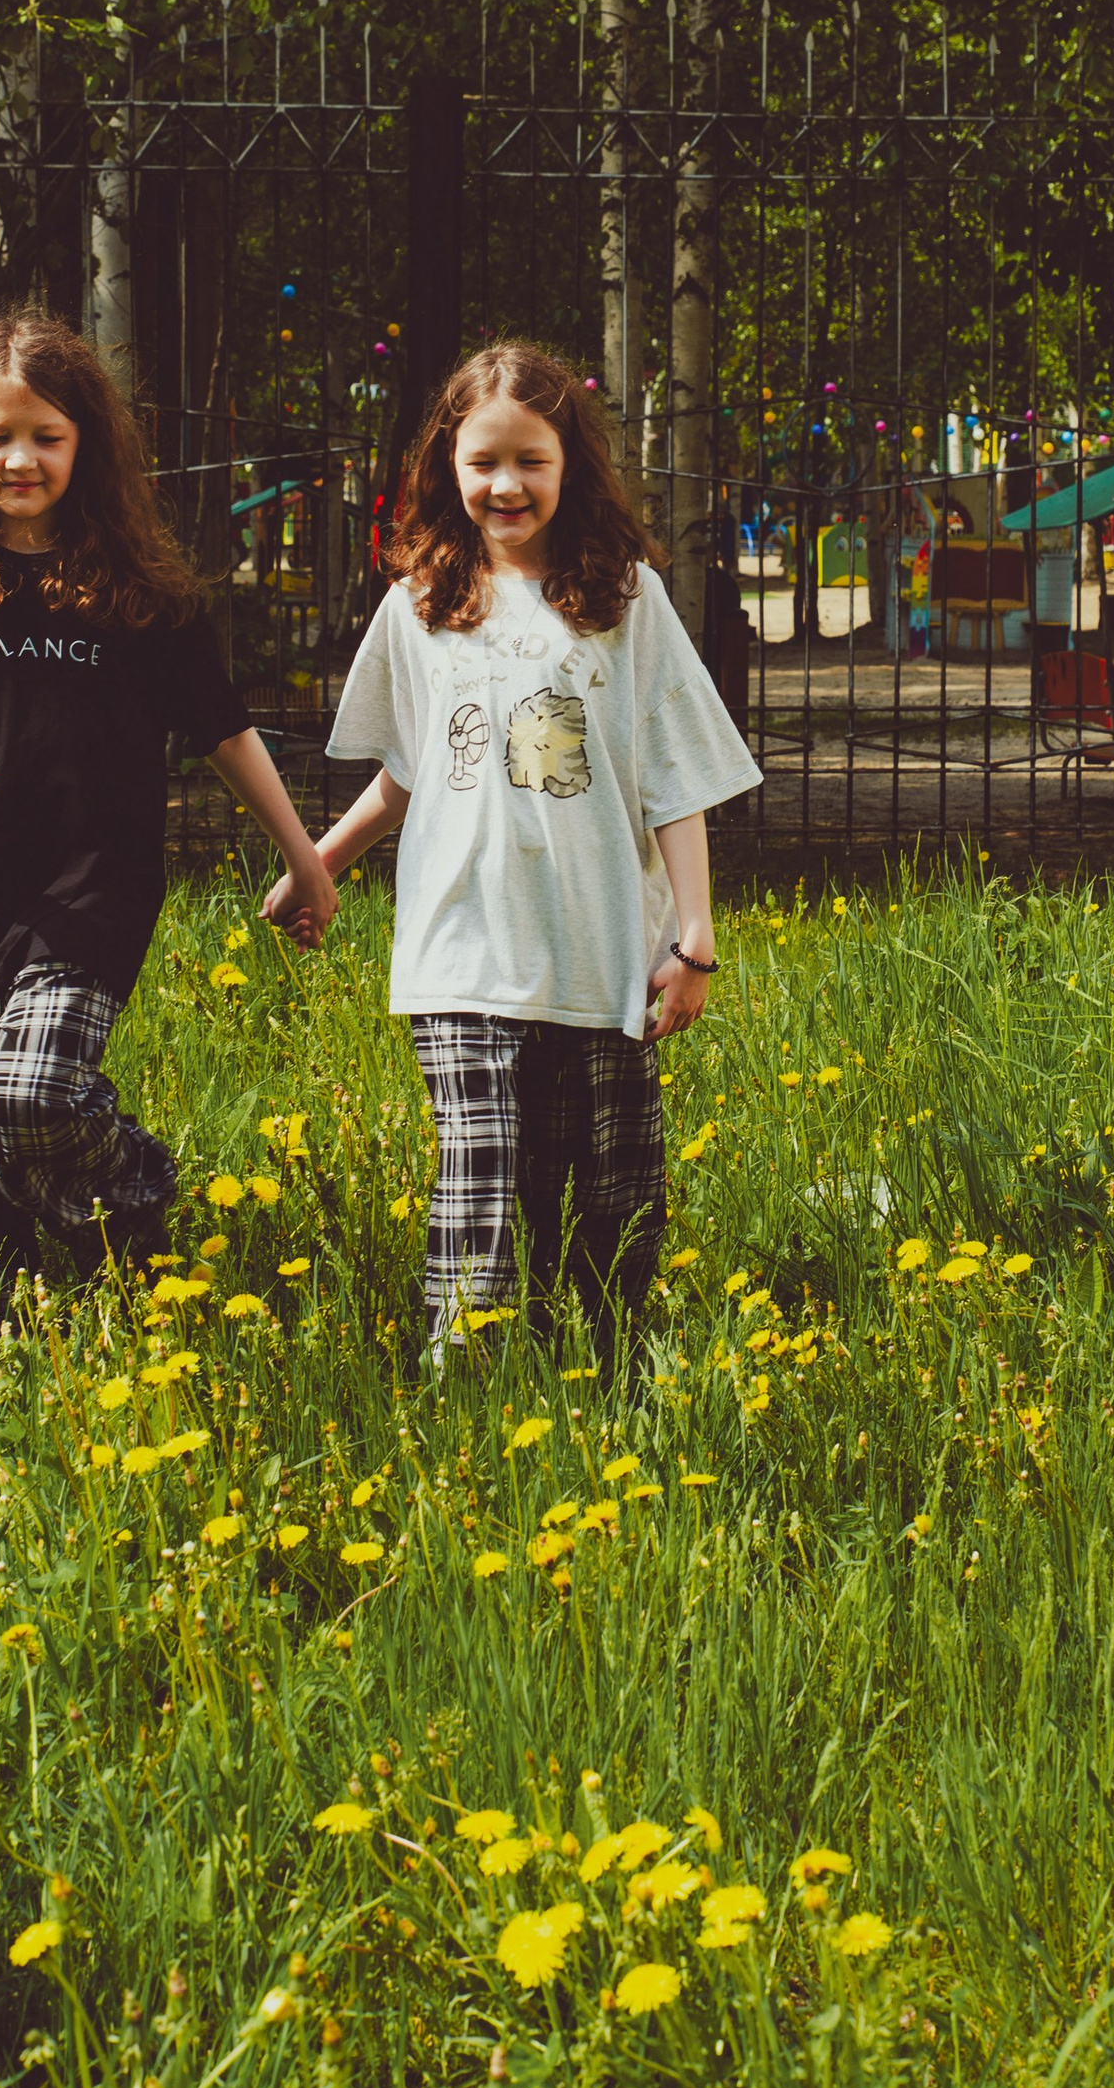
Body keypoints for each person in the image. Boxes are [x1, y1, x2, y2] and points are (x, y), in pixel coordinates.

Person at [0, 311, 336, 1363]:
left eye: (47, 437)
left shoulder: (141, 591)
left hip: (89, 893)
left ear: (87, 443)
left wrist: (305, 858)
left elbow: (225, 731)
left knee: (32, 1096)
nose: (19, 459)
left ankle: (134, 1192)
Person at [278, 337, 758, 1365]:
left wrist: (695, 938)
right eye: (482, 461)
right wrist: (320, 863)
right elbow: (406, 774)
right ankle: (466, 1378)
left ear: (570, 463)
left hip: (598, 949)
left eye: (530, 460)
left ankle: (607, 1367)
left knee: (606, 1193)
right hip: (461, 947)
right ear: (445, 466)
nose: (505, 484)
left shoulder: (625, 598)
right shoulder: (419, 605)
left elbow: (676, 777)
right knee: (480, 1179)